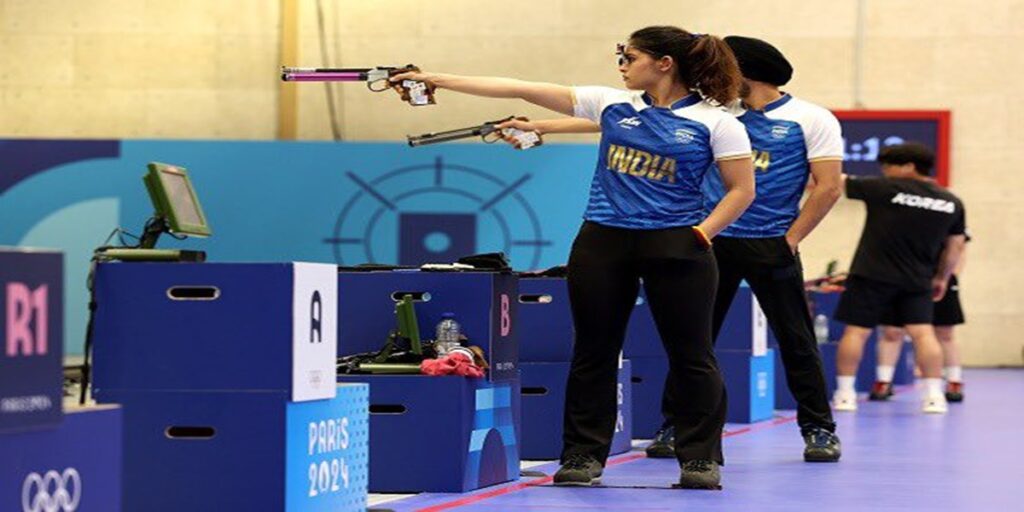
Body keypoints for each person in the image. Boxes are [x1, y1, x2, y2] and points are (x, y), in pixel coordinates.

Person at [391, 25, 755, 489]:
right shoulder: (611, 105)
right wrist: (437, 78)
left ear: (664, 64)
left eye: (630, 56)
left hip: (676, 244)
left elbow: (742, 190)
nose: (621, 65)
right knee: (593, 352)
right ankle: (583, 456)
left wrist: (702, 234)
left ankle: (700, 459)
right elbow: (520, 87)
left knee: (692, 356)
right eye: (620, 55)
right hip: (603, 240)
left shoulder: (717, 122)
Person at [497, 36, 845, 463]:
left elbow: (828, 187)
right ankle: (674, 425)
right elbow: (620, 121)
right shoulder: (716, 112)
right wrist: (543, 126)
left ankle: (819, 428)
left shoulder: (808, 118)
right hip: (708, 238)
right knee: (695, 342)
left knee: (795, 338)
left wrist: (790, 241)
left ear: (746, 73)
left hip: (770, 240)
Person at [832, 143, 967, 414]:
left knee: (856, 332)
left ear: (908, 167)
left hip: (871, 274)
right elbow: (955, 246)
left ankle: (845, 394)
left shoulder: (883, 189)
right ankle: (933, 396)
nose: (885, 172)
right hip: (917, 279)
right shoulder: (951, 202)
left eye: (888, 166)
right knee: (923, 333)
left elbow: (832, 181)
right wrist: (942, 277)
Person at [870, 237, 969, 402]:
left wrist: (948, 275)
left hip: (939, 278)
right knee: (892, 331)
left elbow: (959, 246)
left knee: (944, 332)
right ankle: (883, 381)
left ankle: (954, 381)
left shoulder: (950, 213)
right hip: (901, 278)